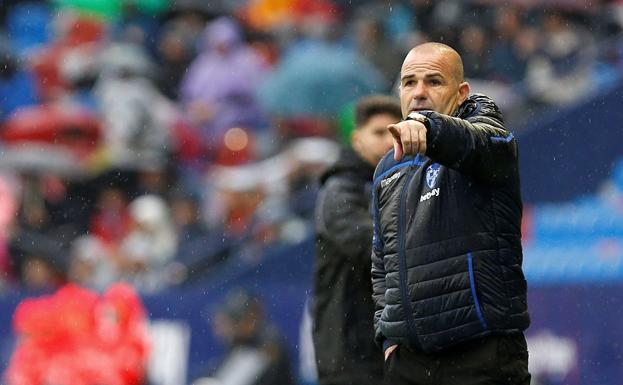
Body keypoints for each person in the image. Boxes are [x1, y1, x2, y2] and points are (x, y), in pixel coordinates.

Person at [371, 42, 531, 384]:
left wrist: (431, 128)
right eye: (409, 82)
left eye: (434, 81)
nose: (419, 93)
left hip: (479, 356)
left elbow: (480, 143)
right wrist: (387, 336)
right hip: (409, 364)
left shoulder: (489, 138)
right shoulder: (386, 169)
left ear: (461, 93)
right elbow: (381, 262)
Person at [313, 95, 401, 385]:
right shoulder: (340, 190)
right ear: (356, 138)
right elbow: (370, 246)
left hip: (385, 345)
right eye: (378, 133)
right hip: (350, 350)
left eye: (394, 132)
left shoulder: (398, 184)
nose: (388, 142)